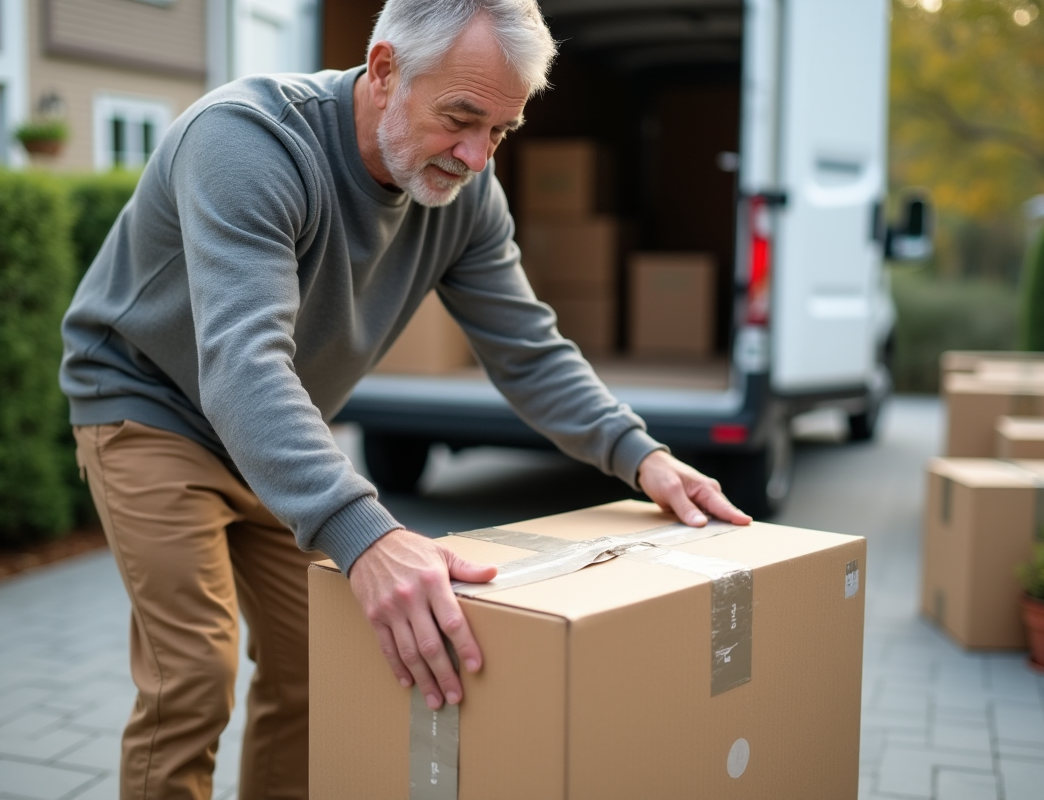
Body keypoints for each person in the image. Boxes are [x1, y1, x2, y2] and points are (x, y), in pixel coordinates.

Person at [60, 1, 751, 797]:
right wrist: (368, 536)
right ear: (384, 70)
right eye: (460, 118)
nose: (476, 155)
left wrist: (643, 457)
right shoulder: (248, 142)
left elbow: (527, 350)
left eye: (501, 130)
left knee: (314, 667)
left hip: (272, 431)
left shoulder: (467, 196)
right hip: (149, 406)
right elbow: (242, 366)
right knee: (192, 677)